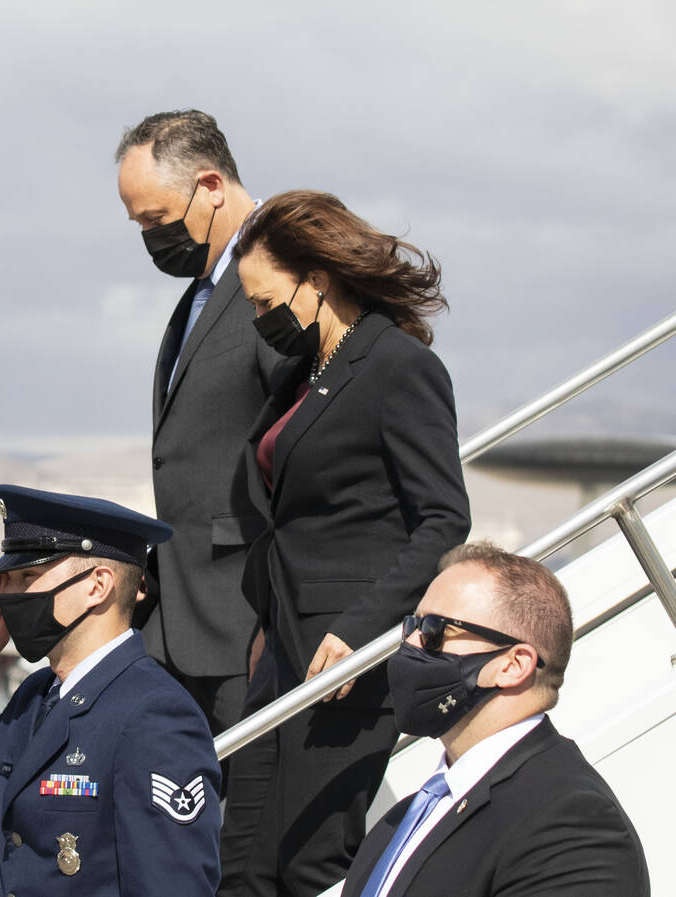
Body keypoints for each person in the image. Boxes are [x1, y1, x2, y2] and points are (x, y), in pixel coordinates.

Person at [220, 190, 472, 895]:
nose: (260, 320)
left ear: (318, 280)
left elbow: (444, 518)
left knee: (310, 864)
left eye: (267, 303)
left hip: (344, 664)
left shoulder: (397, 367)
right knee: (241, 865)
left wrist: (365, 631)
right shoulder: (303, 378)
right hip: (282, 657)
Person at [0, 484, 221, 897]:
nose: (8, 597)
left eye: (27, 577)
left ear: (97, 586)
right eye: (8, 580)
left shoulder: (153, 714)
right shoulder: (36, 698)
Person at [342, 542, 650, 897]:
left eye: (433, 630)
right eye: (411, 625)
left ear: (514, 665)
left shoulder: (571, 819)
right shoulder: (401, 821)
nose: (410, 643)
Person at [115, 109, 280, 739]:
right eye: (139, 226)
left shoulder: (283, 272)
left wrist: (279, 614)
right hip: (181, 622)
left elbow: (304, 443)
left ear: (211, 186)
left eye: (156, 219)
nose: (153, 240)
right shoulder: (201, 294)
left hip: (246, 619)